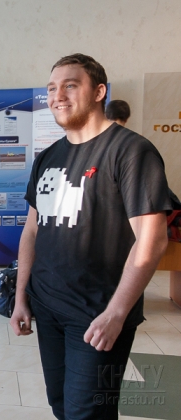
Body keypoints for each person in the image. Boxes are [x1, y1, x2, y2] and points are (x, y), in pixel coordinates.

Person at [10, 54, 171, 420]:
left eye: (70, 85)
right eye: (52, 88)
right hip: (48, 308)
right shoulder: (48, 157)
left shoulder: (131, 151)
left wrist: (117, 312)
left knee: (89, 414)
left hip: (98, 315)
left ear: (99, 92)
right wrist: (21, 297)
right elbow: (32, 230)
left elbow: (152, 240)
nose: (58, 96)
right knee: (61, 406)